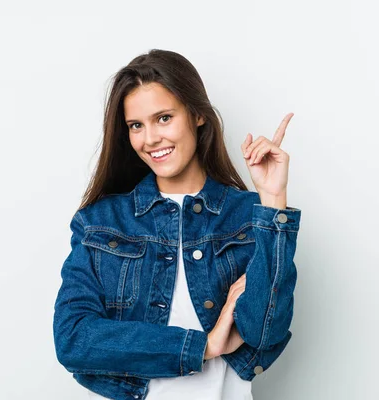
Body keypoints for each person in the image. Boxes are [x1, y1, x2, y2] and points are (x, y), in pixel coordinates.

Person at [53, 49, 302, 400]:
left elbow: (265, 330)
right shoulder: (100, 223)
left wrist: (273, 200)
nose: (150, 138)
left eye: (164, 118)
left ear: (197, 114)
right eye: (136, 125)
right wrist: (203, 347)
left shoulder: (249, 215)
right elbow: (73, 339)